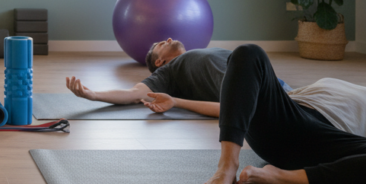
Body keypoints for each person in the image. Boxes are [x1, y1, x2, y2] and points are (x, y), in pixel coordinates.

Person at [198, 44, 366, 184]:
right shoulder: (340, 85)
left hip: (330, 143)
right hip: (283, 120)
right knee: (248, 52)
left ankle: (284, 178)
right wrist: (178, 101)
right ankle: (227, 166)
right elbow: (243, 101)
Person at [66, 38, 289, 114]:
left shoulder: (197, 53)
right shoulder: (167, 73)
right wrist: (93, 94)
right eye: (162, 44)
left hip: (276, 85)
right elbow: (134, 94)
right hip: (253, 97)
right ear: (159, 62)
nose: (169, 38)